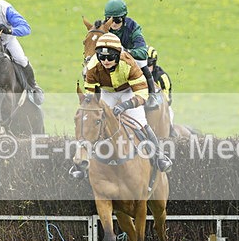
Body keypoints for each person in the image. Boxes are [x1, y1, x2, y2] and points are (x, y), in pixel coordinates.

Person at [69, 33, 172, 178]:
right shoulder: (92, 66)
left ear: (118, 55)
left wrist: (126, 106)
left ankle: (159, 156)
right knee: (91, 118)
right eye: (101, 57)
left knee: (141, 122)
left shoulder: (129, 64)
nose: (105, 61)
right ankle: (80, 163)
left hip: (129, 90)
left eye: (110, 57)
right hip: (107, 91)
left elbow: (142, 94)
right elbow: (91, 92)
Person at [103, 0, 160, 110]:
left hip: (129, 58)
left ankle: (152, 96)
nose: (113, 23)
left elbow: (143, 52)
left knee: (143, 63)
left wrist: (125, 52)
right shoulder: (102, 27)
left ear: (123, 18)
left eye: (117, 20)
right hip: (108, 58)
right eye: (109, 19)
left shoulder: (133, 27)